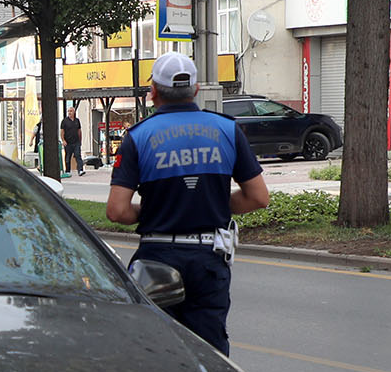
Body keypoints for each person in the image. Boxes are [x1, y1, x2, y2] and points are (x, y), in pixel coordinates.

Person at [106, 52, 270, 354]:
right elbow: (258, 197)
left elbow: (117, 210)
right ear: (195, 90)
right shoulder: (227, 130)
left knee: (157, 351)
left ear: (153, 91)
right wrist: (214, 203)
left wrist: (151, 209)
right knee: (211, 354)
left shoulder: (138, 137)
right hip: (209, 257)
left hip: (157, 259)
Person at [61, 109, 85, 176]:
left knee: (78, 155)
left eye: (71, 111)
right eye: (68, 111)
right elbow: (62, 131)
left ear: (74, 112)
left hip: (76, 142)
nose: (69, 112)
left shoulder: (77, 121)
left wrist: (80, 141)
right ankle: (68, 171)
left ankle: (80, 170)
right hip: (68, 142)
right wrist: (63, 140)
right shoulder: (64, 121)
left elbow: (79, 131)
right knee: (68, 157)